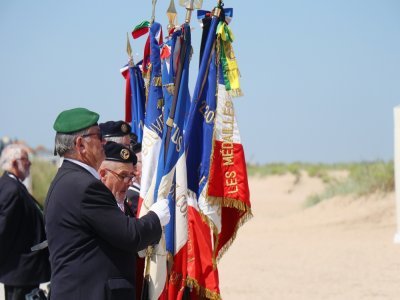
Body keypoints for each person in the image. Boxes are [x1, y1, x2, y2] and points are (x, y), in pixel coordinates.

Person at [44, 107, 170, 300]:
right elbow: (130, 235)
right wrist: (156, 217)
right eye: (98, 136)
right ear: (81, 145)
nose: (103, 141)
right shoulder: (84, 187)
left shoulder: (67, 180)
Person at [0, 144, 50, 300]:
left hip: (24, 272)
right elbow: (3, 230)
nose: (30, 163)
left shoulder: (12, 185)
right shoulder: (11, 189)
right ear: (14, 163)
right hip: (20, 272)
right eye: (25, 159)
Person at [98, 142, 137, 216]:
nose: (130, 183)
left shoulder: (125, 206)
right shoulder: (95, 207)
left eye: (131, 176)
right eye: (123, 176)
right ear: (103, 174)